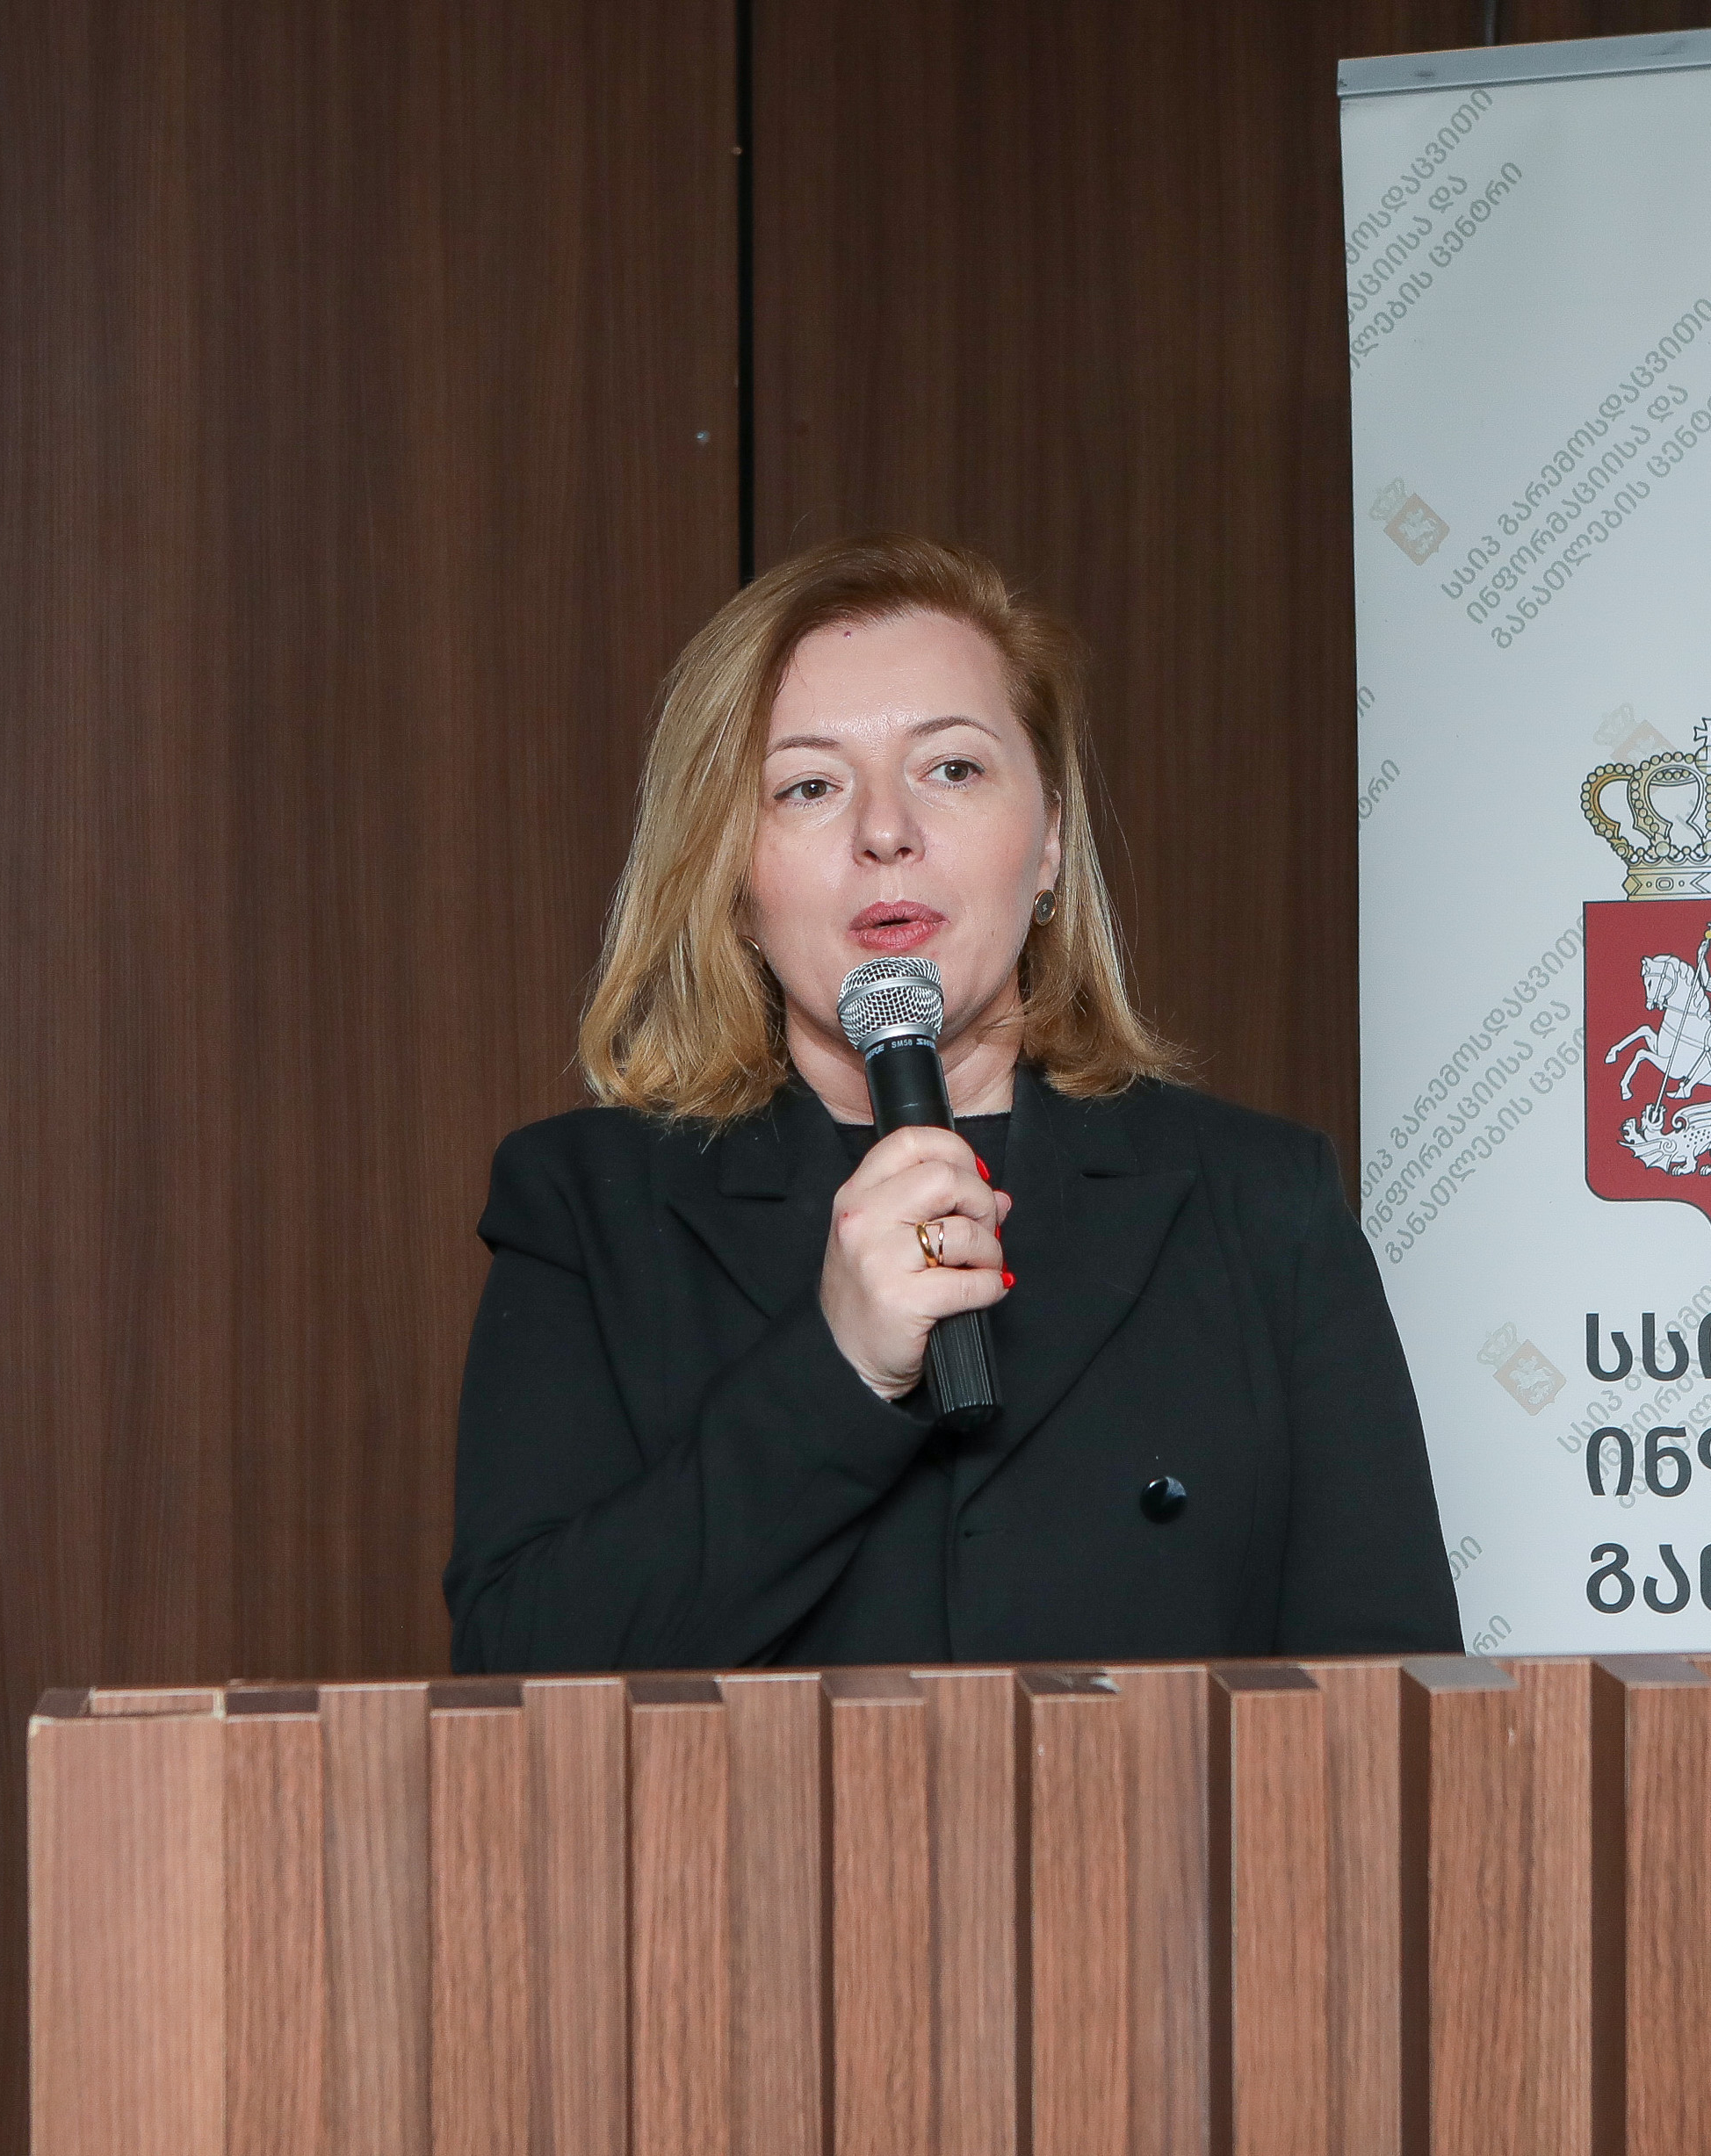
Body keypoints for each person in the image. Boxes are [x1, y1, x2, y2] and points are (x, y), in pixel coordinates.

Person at [444, 536, 1462, 1672]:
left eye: (952, 769)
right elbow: (520, 1672)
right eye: (809, 786)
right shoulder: (585, 1206)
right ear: (731, 875)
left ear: (1051, 842)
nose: (885, 830)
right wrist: (838, 1370)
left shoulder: (1260, 1203)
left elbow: (1396, 1705)